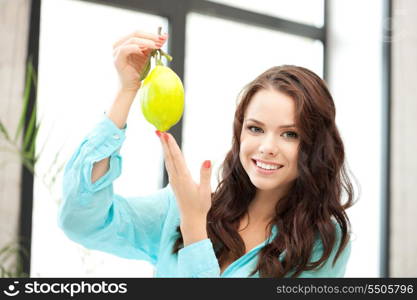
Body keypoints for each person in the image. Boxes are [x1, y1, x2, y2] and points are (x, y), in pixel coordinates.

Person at [58, 30, 355, 278]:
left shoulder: (322, 244)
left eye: (289, 134)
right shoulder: (184, 205)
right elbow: (81, 220)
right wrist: (126, 92)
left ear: (315, 143)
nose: (266, 147)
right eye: (255, 129)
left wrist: (193, 229)